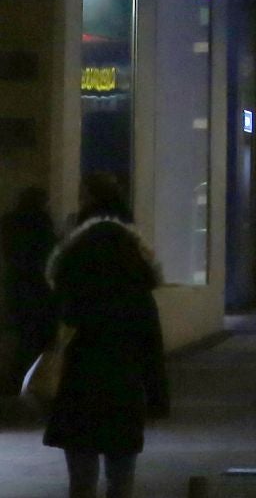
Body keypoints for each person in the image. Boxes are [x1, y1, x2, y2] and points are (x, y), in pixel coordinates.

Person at [42, 174, 167, 498]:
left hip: (78, 384)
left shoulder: (73, 269)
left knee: (81, 481)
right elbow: (150, 341)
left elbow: (56, 326)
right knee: (120, 481)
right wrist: (157, 396)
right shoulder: (135, 278)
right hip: (123, 386)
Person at [2, 185, 57, 387]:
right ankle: (27, 382)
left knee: (23, 340)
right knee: (37, 342)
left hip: (18, 291)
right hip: (40, 292)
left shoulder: (10, 225)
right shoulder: (43, 227)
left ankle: (15, 382)